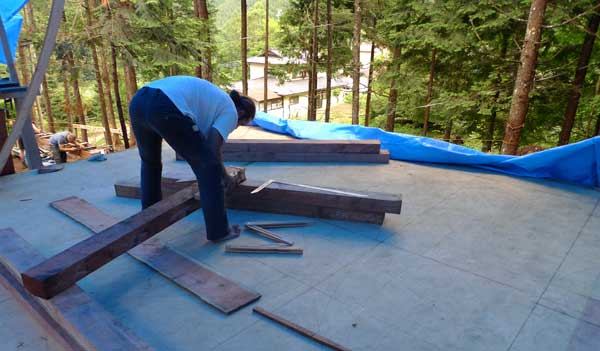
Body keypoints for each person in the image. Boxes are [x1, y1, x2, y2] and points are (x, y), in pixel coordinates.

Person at [129, 76, 256, 242]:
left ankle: (150, 215)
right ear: (241, 113)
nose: (234, 127)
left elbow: (197, 141)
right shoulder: (230, 111)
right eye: (240, 124)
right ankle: (220, 231)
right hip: (165, 105)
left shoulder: (214, 102)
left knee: (150, 163)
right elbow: (212, 150)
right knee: (209, 168)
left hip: (139, 101)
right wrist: (225, 177)